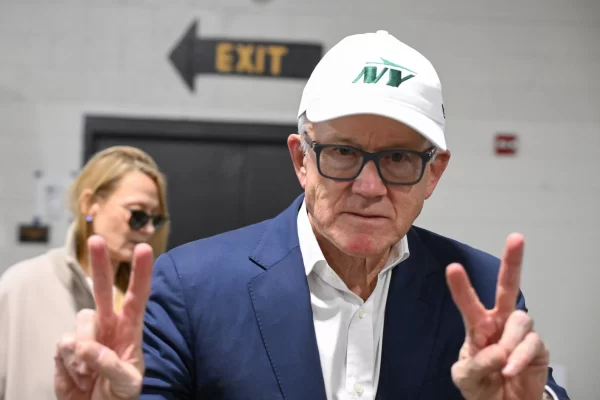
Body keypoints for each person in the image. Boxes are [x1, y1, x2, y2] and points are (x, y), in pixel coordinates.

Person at [54, 31, 570, 400]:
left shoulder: (479, 291)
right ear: (302, 159)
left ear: (433, 174)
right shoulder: (190, 288)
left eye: (398, 158)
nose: (369, 187)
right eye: (343, 152)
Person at [0, 146, 170, 400]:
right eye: (137, 214)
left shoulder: (154, 299)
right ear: (90, 204)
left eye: (156, 220)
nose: (148, 229)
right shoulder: (21, 286)